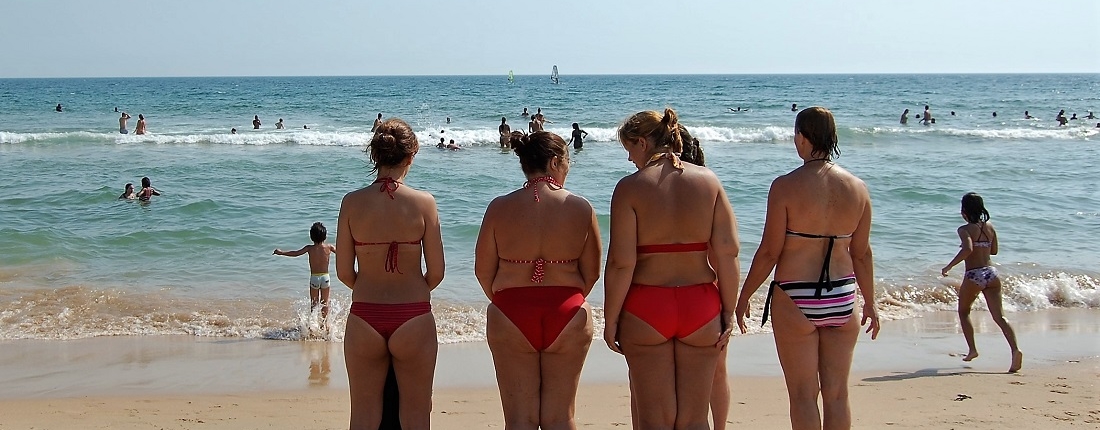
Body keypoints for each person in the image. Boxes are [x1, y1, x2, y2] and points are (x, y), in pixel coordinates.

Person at [735, 107, 880, 430]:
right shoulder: (858, 189)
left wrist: (744, 296)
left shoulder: (785, 186)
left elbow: (770, 251)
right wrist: (870, 302)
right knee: (838, 394)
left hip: (795, 296)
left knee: (802, 394)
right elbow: (862, 254)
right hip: (843, 296)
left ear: (801, 137)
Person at [604, 108, 740, 429]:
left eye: (629, 150)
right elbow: (728, 252)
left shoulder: (630, 188)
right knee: (694, 419)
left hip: (647, 306)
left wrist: (611, 320)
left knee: (655, 420)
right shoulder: (709, 181)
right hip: (700, 305)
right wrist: (728, 311)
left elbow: (621, 263)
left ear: (642, 142)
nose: (629, 160)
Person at [475, 130, 601, 430]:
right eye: (567, 161)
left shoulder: (498, 207)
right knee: (561, 418)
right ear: (556, 161)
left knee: (519, 421)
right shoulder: (581, 207)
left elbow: (483, 272)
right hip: (568, 311)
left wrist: (508, 301)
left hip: (511, 311)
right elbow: (592, 273)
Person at [337, 117, 444, 430]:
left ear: (376, 156)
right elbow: (436, 273)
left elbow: (344, 272)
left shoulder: (352, 202)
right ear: (411, 156)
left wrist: (371, 286)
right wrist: (411, 289)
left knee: (363, 417)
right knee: (416, 416)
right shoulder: (425, 203)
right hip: (413, 315)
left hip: (365, 315)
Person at [941, 192, 1022, 373]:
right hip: (992, 273)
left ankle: (972, 350)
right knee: (999, 317)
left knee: (963, 312)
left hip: (974, 274)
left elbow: (968, 249)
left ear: (964, 211)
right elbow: (994, 251)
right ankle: (1015, 350)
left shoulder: (964, 229)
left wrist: (948, 267)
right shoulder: (990, 227)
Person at [274, 222, 339, 327]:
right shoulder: (329, 247)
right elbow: (342, 253)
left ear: (311, 236)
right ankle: (324, 325)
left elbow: (295, 253)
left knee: (314, 304)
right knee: (325, 303)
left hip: (314, 278)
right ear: (325, 236)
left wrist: (282, 252)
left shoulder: (309, 248)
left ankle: (313, 326)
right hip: (325, 278)